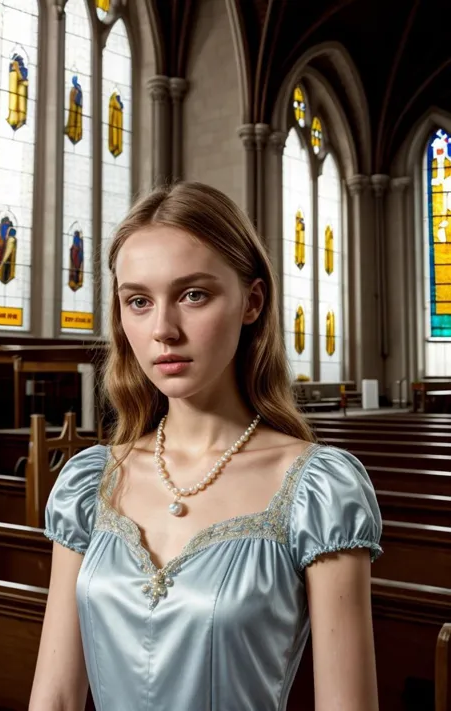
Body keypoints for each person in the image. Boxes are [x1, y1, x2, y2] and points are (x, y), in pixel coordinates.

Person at [29, 181, 382, 711]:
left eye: (193, 294)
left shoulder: (318, 489)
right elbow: (54, 697)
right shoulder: (91, 482)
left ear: (252, 302)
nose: (163, 330)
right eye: (139, 302)